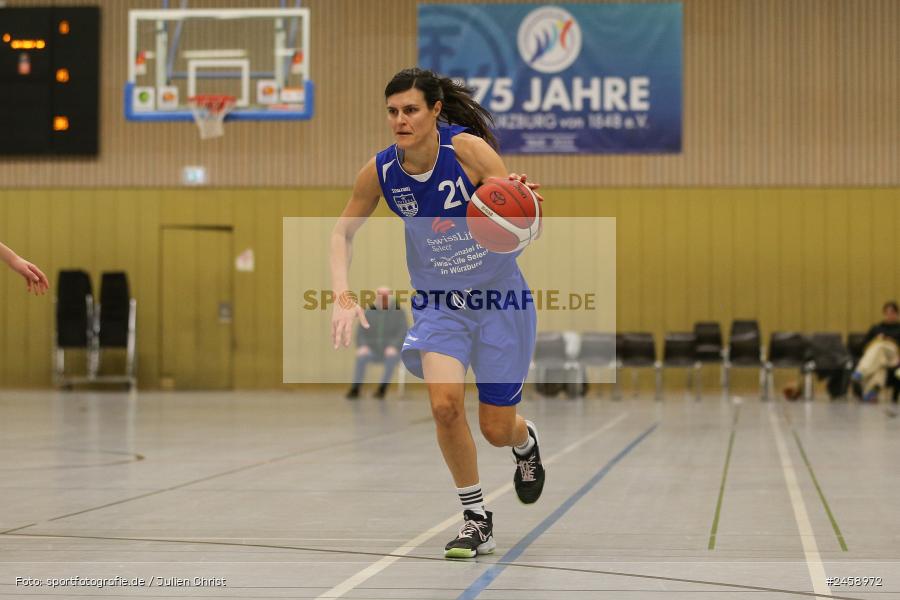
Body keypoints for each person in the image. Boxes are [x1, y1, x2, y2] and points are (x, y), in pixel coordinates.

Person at [330, 68, 546, 559]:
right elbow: (342, 232)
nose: (400, 120)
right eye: (392, 111)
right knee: (445, 406)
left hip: (497, 297)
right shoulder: (383, 171)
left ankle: (524, 442)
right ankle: (475, 517)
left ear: (434, 112)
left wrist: (520, 198)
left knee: (496, 428)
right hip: (438, 304)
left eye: (410, 110)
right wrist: (342, 295)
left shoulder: (466, 150)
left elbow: (509, 199)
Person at [346, 286, 408, 399]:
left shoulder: (399, 312)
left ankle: (382, 389)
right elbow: (361, 332)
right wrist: (363, 345)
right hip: (373, 350)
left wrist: (393, 346)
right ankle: (356, 388)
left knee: (392, 358)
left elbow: (403, 331)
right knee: (361, 357)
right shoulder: (369, 312)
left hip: (391, 351)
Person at [852, 301, 900, 403]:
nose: (889, 315)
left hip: (894, 356)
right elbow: (863, 345)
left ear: (897, 314)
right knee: (880, 363)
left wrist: (885, 339)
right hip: (880, 359)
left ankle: (861, 371)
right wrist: (875, 339)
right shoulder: (876, 328)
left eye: (892, 313)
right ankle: (873, 391)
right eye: (887, 313)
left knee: (881, 346)